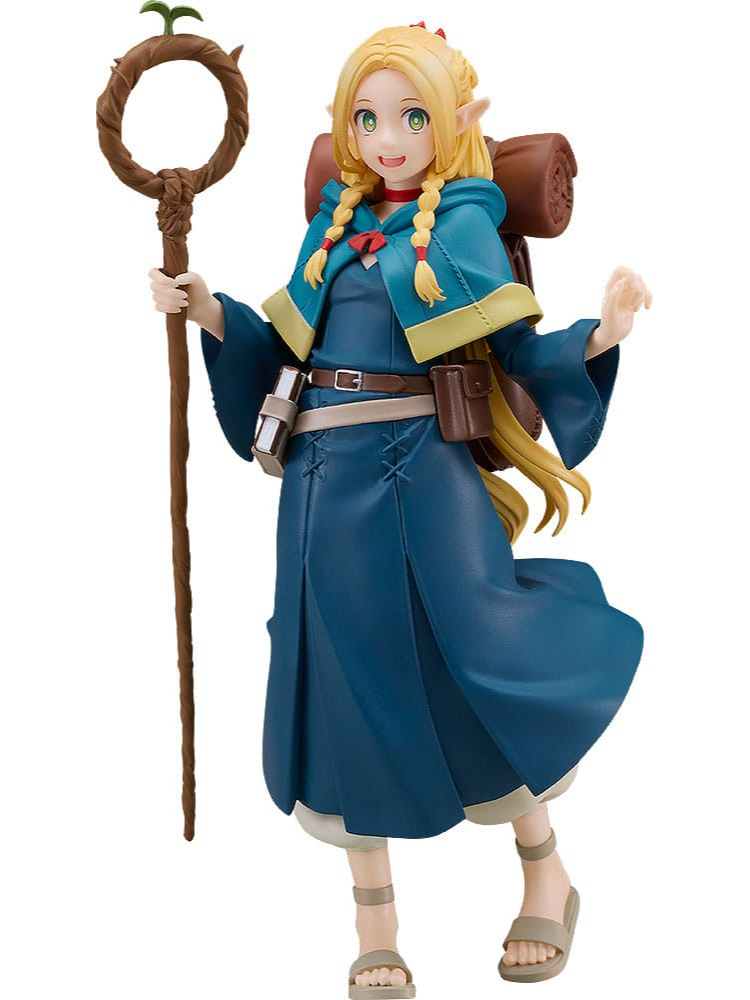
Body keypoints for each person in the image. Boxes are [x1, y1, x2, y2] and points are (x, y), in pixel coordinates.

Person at [149, 22, 650, 996]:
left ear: (457, 122)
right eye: (368, 118)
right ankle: (374, 924)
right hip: (323, 486)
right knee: (339, 676)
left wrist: (599, 335)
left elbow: (517, 351)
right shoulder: (332, 228)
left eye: (413, 117)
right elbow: (282, 349)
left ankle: (546, 871)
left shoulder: (460, 227)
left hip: (427, 476)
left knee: (473, 657)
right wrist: (209, 310)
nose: (388, 139)